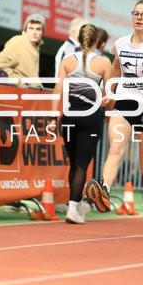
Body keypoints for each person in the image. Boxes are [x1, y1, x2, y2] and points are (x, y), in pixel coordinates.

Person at [84, 0, 143, 234]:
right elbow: (116, 68)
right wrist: (110, 92)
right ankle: (103, 191)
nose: (139, 18)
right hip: (124, 104)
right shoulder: (121, 43)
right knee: (115, 149)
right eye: (136, 13)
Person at [52, 23, 111, 224]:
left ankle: (73, 207)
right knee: (81, 165)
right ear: (96, 41)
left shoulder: (67, 61)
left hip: (69, 116)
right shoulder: (103, 62)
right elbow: (109, 93)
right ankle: (73, 209)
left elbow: (57, 89)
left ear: (79, 39)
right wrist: (108, 110)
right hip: (91, 117)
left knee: (74, 164)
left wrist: (52, 116)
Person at [0, 14, 45, 87]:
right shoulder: (18, 41)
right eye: (31, 28)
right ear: (25, 30)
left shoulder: (35, 47)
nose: (34, 32)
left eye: (38, 29)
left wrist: (37, 85)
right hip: (17, 91)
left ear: (43, 32)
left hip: (29, 92)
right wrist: (21, 83)